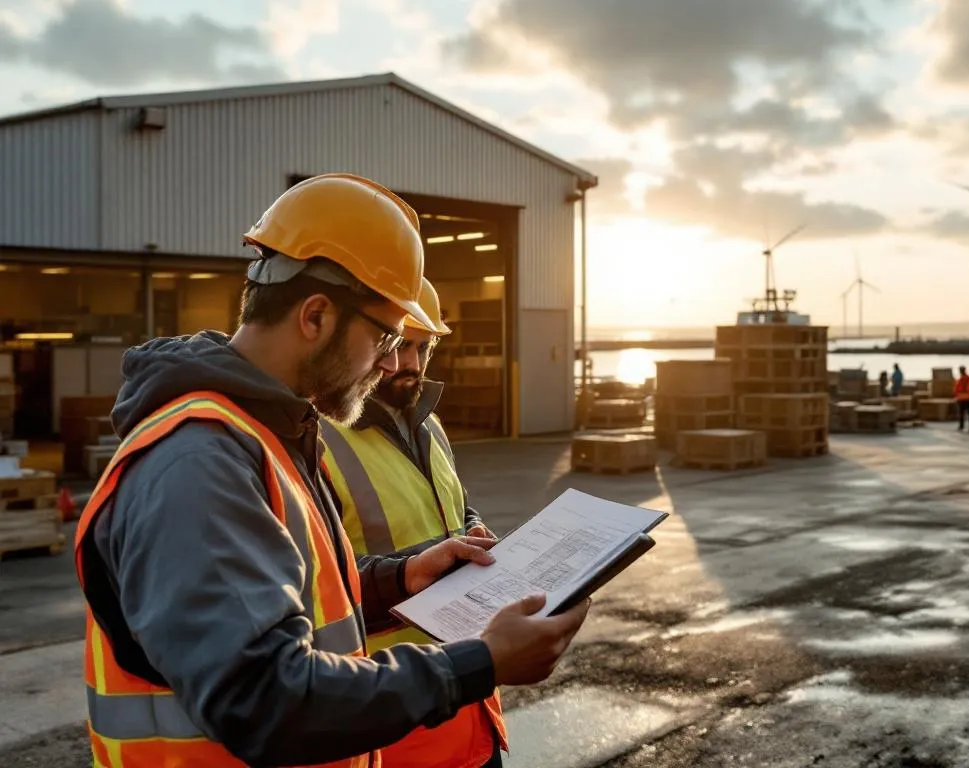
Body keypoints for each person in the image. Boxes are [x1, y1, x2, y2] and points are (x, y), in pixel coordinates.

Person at [72, 173, 590, 767]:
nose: (390, 361)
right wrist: (482, 663)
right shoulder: (199, 460)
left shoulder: (267, 434)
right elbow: (265, 700)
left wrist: (401, 579)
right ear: (315, 316)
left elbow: (289, 608)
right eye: (386, 334)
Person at [321, 277, 507, 768]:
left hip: (469, 697)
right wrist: (410, 571)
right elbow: (318, 584)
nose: (409, 365)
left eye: (423, 348)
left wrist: (474, 534)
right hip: (395, 715)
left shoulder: (428, 424)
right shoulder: (319, 438)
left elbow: (457, 508)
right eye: (400, 345)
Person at [954, 365, 969, 433]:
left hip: (963, 399)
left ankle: (962, 426)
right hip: (968, 398)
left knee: (962, 414)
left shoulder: (960, 380)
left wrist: (957, 397)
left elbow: (956, 390)